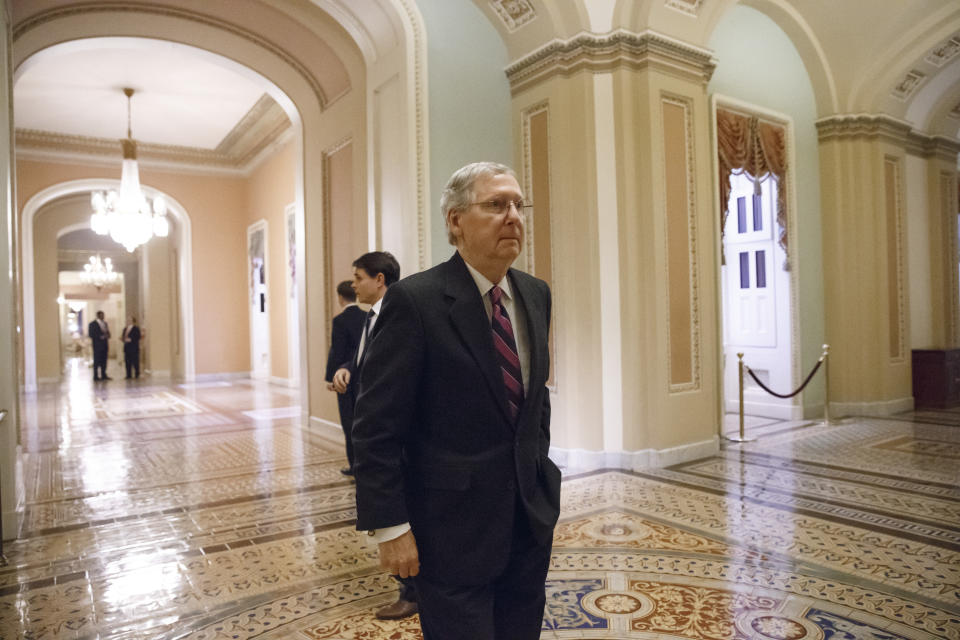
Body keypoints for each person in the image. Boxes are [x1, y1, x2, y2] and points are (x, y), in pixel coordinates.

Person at [352, 162, 559, 639]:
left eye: (518, 205)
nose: (513, 216)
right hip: (449, 532)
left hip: (526, 524)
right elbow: (376, 426)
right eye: (495, 205)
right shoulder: (415, 301)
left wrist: (540, 478)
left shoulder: (535, 294)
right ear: (455, 221)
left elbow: (535, 401)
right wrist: (391, 526)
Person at [331, 251, 418, 620]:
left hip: (399, 437)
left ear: (379, 279)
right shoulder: (371, 319)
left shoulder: (403, 314)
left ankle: (413, 591)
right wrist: (347, 368)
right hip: (376, 433)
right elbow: (370, 360)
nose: (354, 285)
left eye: (359, 278)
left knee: (407, 512)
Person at [324, 280, 366, 476]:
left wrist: (331, 377)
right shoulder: (367, 317)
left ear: (340, 297)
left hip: (345, 377)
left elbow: (337, 352)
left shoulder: (339, 321)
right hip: (363, 376)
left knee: (348, 423)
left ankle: (354, 465)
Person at [88, 310, 111, 381]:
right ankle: (96, 376)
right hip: (97, 346)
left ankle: (104, 374)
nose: (103, 316)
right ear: (98, 315)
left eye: (103, 315)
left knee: (104, 361)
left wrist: (107, 335)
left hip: (104, 345)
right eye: (101, 315)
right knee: (97, 361)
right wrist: (99, 336)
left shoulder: (105, 323)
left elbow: (108, 333)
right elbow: (91, 334)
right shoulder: (92, 324)